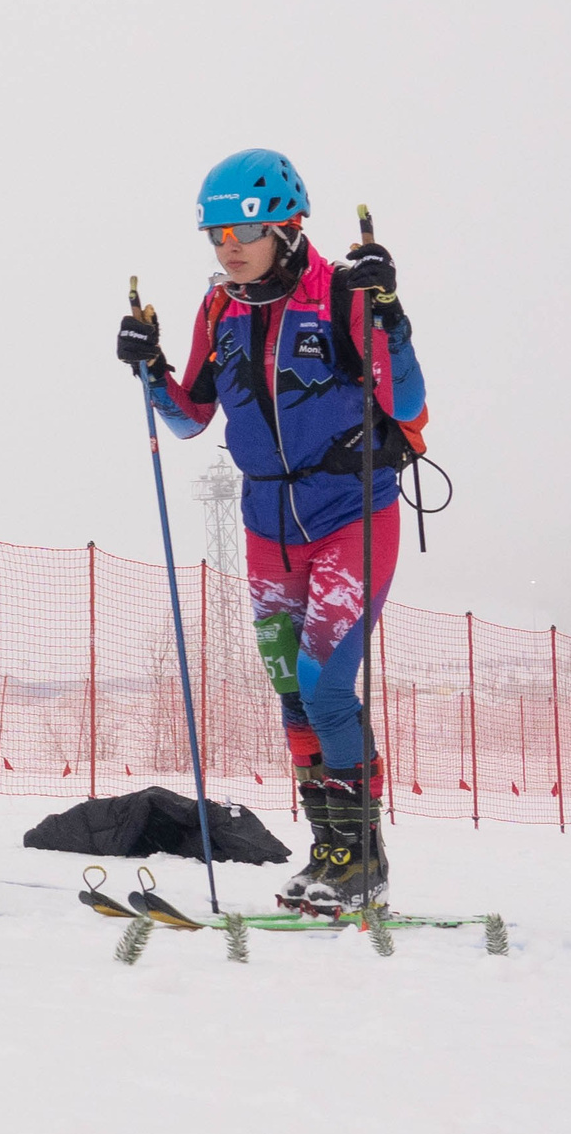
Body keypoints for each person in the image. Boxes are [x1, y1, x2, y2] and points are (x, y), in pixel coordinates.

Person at [116, 149, 425, 914]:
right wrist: (150, 367)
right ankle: (330, 851)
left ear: (288, 229)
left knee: (324, 684)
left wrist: (388, 315)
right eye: (216, 233)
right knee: (290, 688)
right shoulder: (222, 308)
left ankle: (363, 858)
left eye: (243, 232)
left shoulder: (342, 293)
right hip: (266, 523)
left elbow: (412, 412)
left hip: (348, 511)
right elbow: (190, 417)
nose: (228, 247)